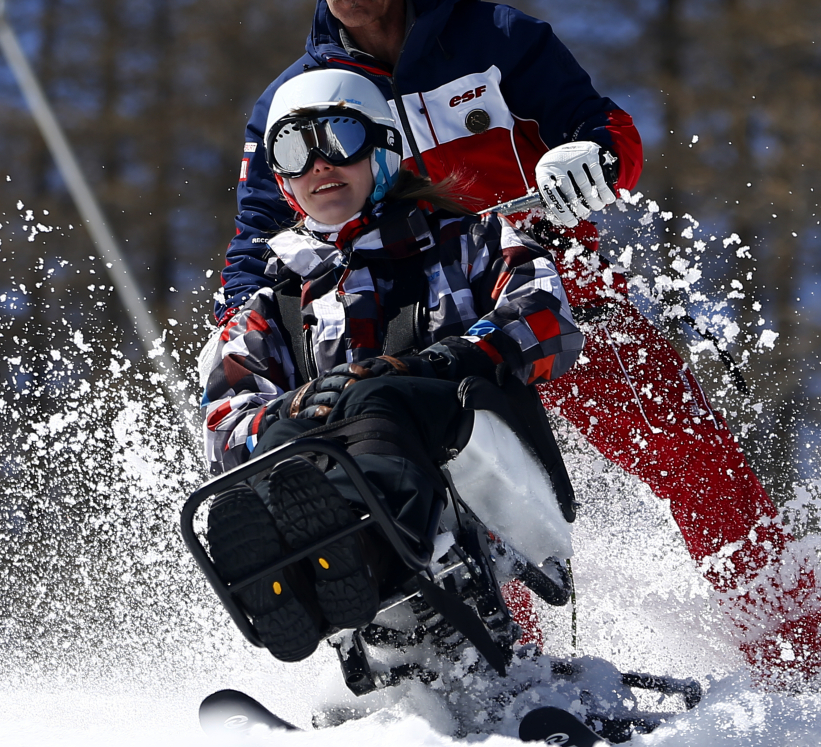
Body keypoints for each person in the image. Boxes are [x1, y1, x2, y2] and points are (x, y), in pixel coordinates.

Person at [213, 0, 821, 682]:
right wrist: (246, 325)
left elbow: (611, 134)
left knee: (691, 454)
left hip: (552, 294)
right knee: (455, 497)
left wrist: (583, 162)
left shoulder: (500, 40)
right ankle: (505, 681)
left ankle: (806, 656)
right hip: (413, 318)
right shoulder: (299, 98)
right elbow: (256, 235)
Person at [198, 67, 583, 662]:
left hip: (482, 465)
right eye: (295, 150)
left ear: (383, 149)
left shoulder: (464, 238)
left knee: (376, 398)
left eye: (339, 139)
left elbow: (545, 311)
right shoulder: (276, 301)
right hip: (335, 463)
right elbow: (224, 414)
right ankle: (316, 573)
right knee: (287, 433)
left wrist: (444, 361)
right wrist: (301, 404)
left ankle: (357, 549)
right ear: (282, 179)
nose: (319, 164)